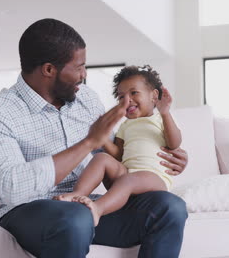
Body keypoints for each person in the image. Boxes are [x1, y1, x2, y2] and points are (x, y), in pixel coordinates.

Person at [0, 18, 188, 258]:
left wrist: (167, 153)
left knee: (170, 207)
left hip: (85, 206)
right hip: (28, 211)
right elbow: (12, 188)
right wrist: (87, 143)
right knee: (76, 218)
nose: (84, 75)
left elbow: (118, 156)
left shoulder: (86, 98)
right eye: (78, 67)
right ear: (48, 70)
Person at [56, 65, 182, 227]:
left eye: (134, 92)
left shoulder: (161, 119)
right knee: (102, 157)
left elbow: (174, 143)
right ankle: (78, 194)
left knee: (129, 180)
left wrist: (165, 112)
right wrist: (103, 139)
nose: (127, 100)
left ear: (154, 96)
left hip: (154, 178)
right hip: (127, 175)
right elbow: (118, 156)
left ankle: (97, 209)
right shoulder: (125, 126)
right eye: (121, 97)